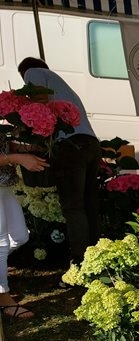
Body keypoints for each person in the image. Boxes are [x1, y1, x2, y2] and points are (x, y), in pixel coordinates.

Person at [19, 57, 102, 272]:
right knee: (89, 204)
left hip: (70, 147)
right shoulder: (61, 84)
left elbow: (39, 102)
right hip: (91, 144)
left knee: (73, 207)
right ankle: (97, 257)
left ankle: (80, 262)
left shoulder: (33, 72)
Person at [0, 140, 48, 318]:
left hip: (3, 184)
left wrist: (21, 148)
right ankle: (4, 299)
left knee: (20, 236)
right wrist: (17, 158)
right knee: (1, 243)